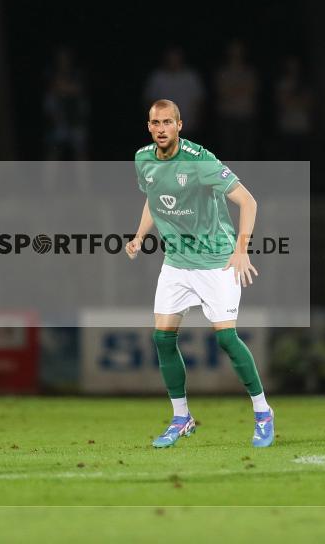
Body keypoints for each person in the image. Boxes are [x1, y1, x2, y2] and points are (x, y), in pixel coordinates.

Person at [126, 99, 273, 448]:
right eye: (155, 122)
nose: (160, 128)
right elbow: (153, 196)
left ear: (180, 125)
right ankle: (181, 418)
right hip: (177, 262)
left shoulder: (199, 160)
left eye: (167, 122)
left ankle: (263, 412)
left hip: (216, 261)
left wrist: (241, 249)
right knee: (162, 339)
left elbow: (248, 201)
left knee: (226, 338)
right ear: (149, 126)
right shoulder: (142, 158)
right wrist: (139, 236)